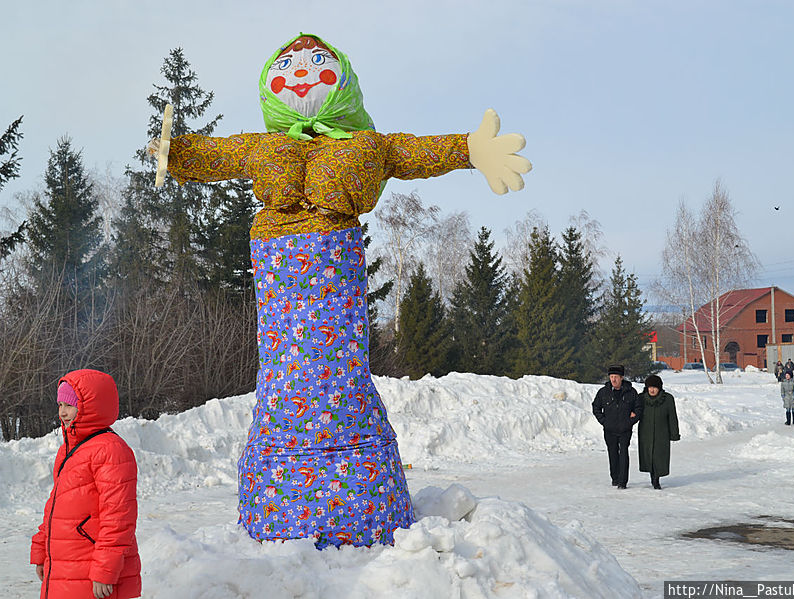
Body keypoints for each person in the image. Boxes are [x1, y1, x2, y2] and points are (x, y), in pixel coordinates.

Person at [149, 33, 531, 547]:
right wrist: (176, 151)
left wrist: (468, 149)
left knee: (339, 376)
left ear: (343, 81)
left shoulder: (366, 146)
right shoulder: (266, 147)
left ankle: (363, 505)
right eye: (287, 66)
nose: (302, 73)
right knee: (286, 379)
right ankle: (279, 505)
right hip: (278, 273)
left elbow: (412, 152)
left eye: (316, 64)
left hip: (333, 267)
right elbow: (220, 154)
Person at [31, 370, 141, 599]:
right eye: (60, 405)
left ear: (92, 405)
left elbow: (118, 517)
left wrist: (105, 569)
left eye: (69, 405)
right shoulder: (67, 449)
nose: (62, 412)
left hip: (90, 569)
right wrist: (41, 550)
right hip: (64, 564)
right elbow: (55, 506)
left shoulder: (111, 450)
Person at [592, 365, 643, 489]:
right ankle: (615, 477)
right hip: (609, 429)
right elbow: (596, 407)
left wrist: (631, 420)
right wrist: (604, 421)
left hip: (625, 429)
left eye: (616, 377)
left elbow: (639, 408)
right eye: (611, 377)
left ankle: (622, 481)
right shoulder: (603, 392)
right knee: (612, 453)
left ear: (622, 378)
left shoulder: (631, 392)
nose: (613, 380)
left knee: (624, 453)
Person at [637, 375, 680, 490]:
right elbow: (633, 413)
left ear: (659, 388)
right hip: (646, 432)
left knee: (659, 456)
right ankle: (652, 476)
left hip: (662, 433)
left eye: (655, 387)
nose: (652, 390)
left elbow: (672, 417)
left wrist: (674, 433)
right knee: (648, 456)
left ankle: (656, 478)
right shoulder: (641, 398)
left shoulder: (668, 399)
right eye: (650, 387)